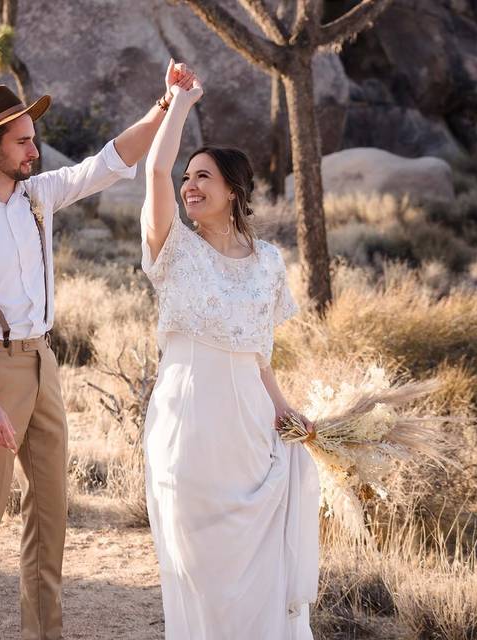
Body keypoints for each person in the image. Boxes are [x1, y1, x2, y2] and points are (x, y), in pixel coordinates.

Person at [0, 61, 195, 640]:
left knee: (49, 524)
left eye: (34, 138)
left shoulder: (37, 197)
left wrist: (165, 104)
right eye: (22, 141)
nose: (34, 150)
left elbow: (108, 162)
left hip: (44, 364)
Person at [139, 70, 321, 638]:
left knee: (256, 569)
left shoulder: (268, 261)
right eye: (188, 176)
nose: (190, 186)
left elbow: (259, 356)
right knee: (198, 569)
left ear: (235, 190)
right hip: (187, 427)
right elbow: (153, 171)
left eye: (204, 177)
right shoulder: (173, 247)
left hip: (249, 430)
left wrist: (285, 409)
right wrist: (182, 104)